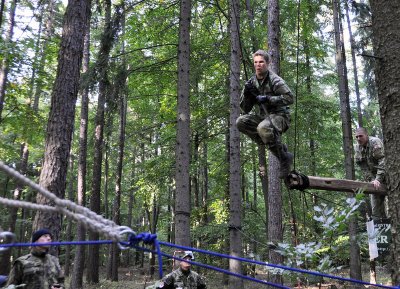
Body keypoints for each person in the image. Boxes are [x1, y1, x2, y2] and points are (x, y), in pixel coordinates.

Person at [236, 49, 294, 178]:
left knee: (263, 128)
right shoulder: (251, 82)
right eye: (256, 62)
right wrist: (247, 94)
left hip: (280, 116)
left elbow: (290, 98)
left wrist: (268, 99)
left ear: (267, 63)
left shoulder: (275, 80)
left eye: (261, 62)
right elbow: (245, 109)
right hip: (264, 117)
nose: (258, 65)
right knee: (241, 122)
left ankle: (284, 159)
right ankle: (276, 146)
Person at [354, 127, 387, 219]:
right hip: (375, 179)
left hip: (388, 176)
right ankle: (381, 231)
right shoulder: (357, 147)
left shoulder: (375, 142)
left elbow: (383, 161)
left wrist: (378, 179)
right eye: (356, 137)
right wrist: (373, 180)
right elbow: (363, 168)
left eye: (361, 136)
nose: (358, 139)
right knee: (376, 210)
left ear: (366, 135)